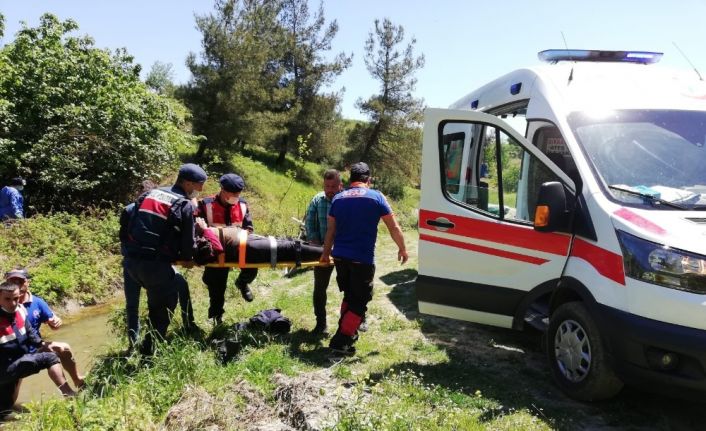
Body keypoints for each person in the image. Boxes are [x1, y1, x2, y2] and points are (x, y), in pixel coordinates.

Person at [320, 162, 408, 356]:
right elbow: (393, 227)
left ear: (350, 179)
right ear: (368, 179)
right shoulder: (376, 197)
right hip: (361, 258)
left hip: (340, 257)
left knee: (350, 296)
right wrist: (402, 248)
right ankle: (341, 341)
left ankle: (348, 333)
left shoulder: (338, 198)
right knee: (360, 301)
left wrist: (325, 253)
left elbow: (330, 230)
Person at [122, 163, 206, 354]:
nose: (200, 190)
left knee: (143, 303)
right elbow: (187, 242)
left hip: (131, 262)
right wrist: (188, 258)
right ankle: (148, 354)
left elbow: (130, 222)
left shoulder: (151, 194)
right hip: (155, 265)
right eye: (199, 185)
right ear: (187, 183)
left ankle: (136, 345)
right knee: (163, 308)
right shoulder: (183, 204)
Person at [0, 280, 75, 413]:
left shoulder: (20, 311)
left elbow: (30, 333)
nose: (13, 303)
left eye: (16, 298)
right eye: (7, 299)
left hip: (19, 362)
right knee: (50, 358)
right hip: (5, 368)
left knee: (5, 409)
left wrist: (42, 344)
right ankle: (69, 395)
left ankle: (69, 396)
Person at [4, 269, 85, 389]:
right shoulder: (3, 305)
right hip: (11, 355)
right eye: (12, 282)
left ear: (27, 282)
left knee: (64, 348)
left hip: (35, 347)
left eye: (20, 281)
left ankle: (77, 381)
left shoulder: (37, 302)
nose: (17, 285)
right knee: (10, 398)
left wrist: (55, 322)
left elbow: (53, 323)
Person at [196, 173, 258, 325]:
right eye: (233, 194)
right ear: (222, 190)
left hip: (238, 247)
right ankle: (216, 317)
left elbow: (249, 228)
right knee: (217, 285)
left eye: (238, 194)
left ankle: (242, 282)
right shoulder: (206, 205)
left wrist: (242, 236)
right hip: (216, 251)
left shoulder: (242, 205)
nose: (236, 197)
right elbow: (198, 229)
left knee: (254, 265)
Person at [304, 169, 342, 334]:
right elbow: (310, 223)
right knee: (319, 288)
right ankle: (321, 324)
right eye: (327, 186)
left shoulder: (346, 201)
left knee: (351, 287)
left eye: (333, 186)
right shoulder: (317, 200)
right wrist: (314, 242)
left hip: (343, 251)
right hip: (322, 251)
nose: (330, 189)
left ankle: (355, 322)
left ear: (340, 185)